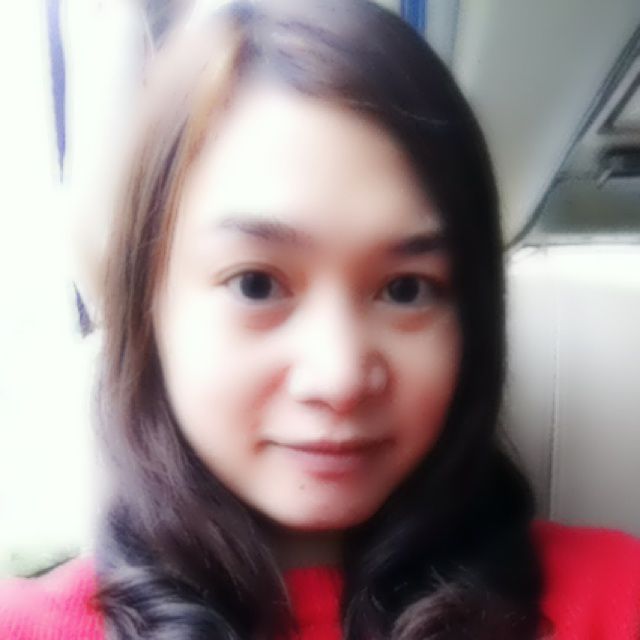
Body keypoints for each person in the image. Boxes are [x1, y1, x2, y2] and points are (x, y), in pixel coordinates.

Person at [2, 1, 640, 638]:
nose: (339, 378)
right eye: (256, 284)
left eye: (406, 290)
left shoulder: (620, 598)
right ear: (150, 308)